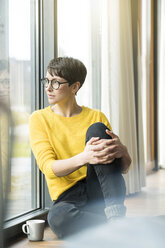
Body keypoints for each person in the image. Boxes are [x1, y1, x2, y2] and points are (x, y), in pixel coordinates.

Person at [29, 57, 132, 239]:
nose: (48, 88)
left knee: (97, 129)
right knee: (58, 218)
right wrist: (84, 157)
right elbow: (49, 168)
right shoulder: (39, 119)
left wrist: (123, 152)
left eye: (55, 82)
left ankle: (115, 218)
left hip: (100, 188)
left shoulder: (96, 116)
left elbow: (122, 169)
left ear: (74, 87)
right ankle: (116, 226)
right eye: (47, 80)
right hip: (67, 197)